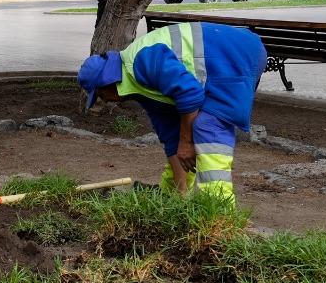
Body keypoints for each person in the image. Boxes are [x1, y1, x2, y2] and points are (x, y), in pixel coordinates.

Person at [77, 21, 267, 200]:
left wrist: (186, 142)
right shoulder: (140, 89)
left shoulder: (142, 60)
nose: (105, 101)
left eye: (100, 95)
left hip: (237, 55)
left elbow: (191, 95)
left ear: (107, 83)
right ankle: (174, 195)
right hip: (226, 58)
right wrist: (179, 195)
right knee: (182, 135)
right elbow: (171, 136)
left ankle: (218, 209)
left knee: (207, 125)